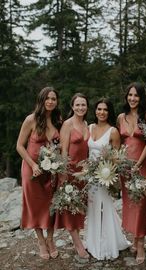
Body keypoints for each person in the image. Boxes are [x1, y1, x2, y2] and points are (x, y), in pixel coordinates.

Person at [16, 86, 62, 260]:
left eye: (53, 99)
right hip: (32, 169)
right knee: (35, 205)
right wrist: (33, 165)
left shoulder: (58, 120)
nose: (50, 102)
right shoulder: (31, 119)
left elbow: (62, 145)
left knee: (51, 205)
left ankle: (50, 239)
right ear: (41, 100)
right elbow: (19, 146)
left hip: (51, 171)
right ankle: (41, 241)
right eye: (47, 99)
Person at [86, 98, 130, 260]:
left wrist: (110, 175)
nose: (101, 112)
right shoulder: (89, 127)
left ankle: (107, 244)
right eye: (99, 109)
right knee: (92, 208)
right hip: (90, 177)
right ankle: (93, 241)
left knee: (104, 207)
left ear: (109, 112)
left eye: (105, 109)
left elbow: (117, 157)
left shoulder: (113, 132)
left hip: (105, 176)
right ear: (95, 111)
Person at [117, 82, 146, 264]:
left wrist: (139, 163)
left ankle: (140, 244)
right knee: (130, 204)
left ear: (141, 98)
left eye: (136, 95)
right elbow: (117, 143)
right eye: (130, 95)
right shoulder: (120, 117)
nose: (132, 98)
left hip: (142, 166)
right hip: (125, 167)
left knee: (140, 204)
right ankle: (135, 238)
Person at [54, 93, 89, 258]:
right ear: (72, 106)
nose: (81, 108)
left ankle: (81, 237)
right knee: (70, 206)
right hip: (71, 171)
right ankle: (77, 243)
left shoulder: (88, 124)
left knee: (80, 206)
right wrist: (63, 173)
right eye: (77, 105)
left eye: (83, 105)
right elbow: (64, 151)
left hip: (84, 173)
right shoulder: (67, 124)